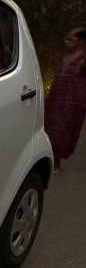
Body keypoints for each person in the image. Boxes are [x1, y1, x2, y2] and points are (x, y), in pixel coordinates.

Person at [45, 28, 86, 171]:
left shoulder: (83, 59)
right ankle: (47, 159)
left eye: (70, 39)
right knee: (48, 128)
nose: (66, 42)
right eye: (66, 39)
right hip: (54, 99)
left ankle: (56, 163)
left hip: (72, 104)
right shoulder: (62, 56)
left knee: (63, 133)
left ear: (81, 41)